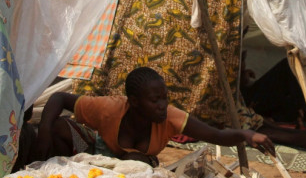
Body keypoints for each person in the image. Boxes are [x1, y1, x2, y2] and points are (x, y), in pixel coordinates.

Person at [34, 67, 275, 163]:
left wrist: (247, 134)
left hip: (137, 169)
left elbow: (216, 135)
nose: (162, 105)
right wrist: (44, 130)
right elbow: (59, 98)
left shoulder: (170, 117)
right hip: (100, 157)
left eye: (164, 98)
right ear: (135, 102)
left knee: (133, 161)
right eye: (155, 100)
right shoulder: (110, 108)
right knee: (59, 127)